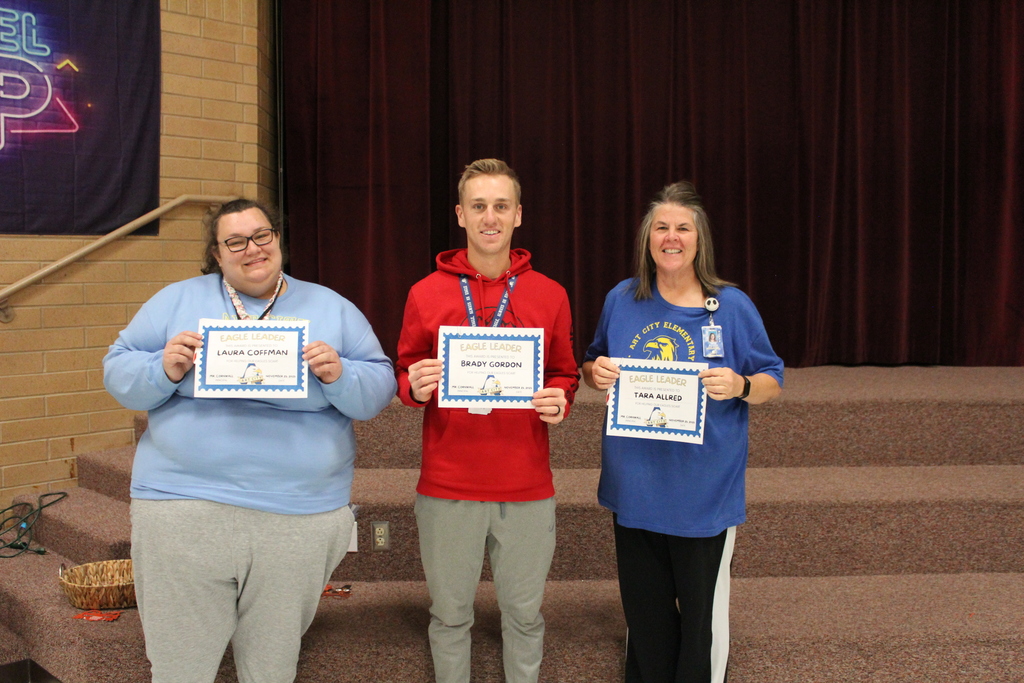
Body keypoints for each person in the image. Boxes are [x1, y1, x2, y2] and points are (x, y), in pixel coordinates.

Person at [103, 199, 396, 683]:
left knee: (272, 667)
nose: (253, 249)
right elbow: (118, 371)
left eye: (262, 236)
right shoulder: (175, 300)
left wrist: (341, 374)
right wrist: (163, 367)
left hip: (299, 513)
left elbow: (377, 390)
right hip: (182, 506)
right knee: (179, 668)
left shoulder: (332, 307)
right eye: (235, 242)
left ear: (277, 239)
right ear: (216, 254)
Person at [582, 182, 783, 683]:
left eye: (683, 228)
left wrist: (740, 385)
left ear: (699, 239)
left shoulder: (731, 306)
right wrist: (595, 373)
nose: (671, 237)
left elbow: (772, 379)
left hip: (702, 490)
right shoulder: (622, 299)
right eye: (661, 228)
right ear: (647, 238)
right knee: (646, 619)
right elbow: (593, 361)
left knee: (699, 627)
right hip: (635, 485)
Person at [396, 159, 579, 683]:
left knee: (524, 616)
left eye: (501, 206)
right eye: (479, 206)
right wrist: (414, 387)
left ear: (518, 214)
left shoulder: (550, 294)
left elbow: (565, 373)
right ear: (460, 214)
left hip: (525, 485)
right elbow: (405, 371)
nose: (490, 217)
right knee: (450, 616)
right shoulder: (425, 292)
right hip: (448, 484)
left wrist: (561, 400)